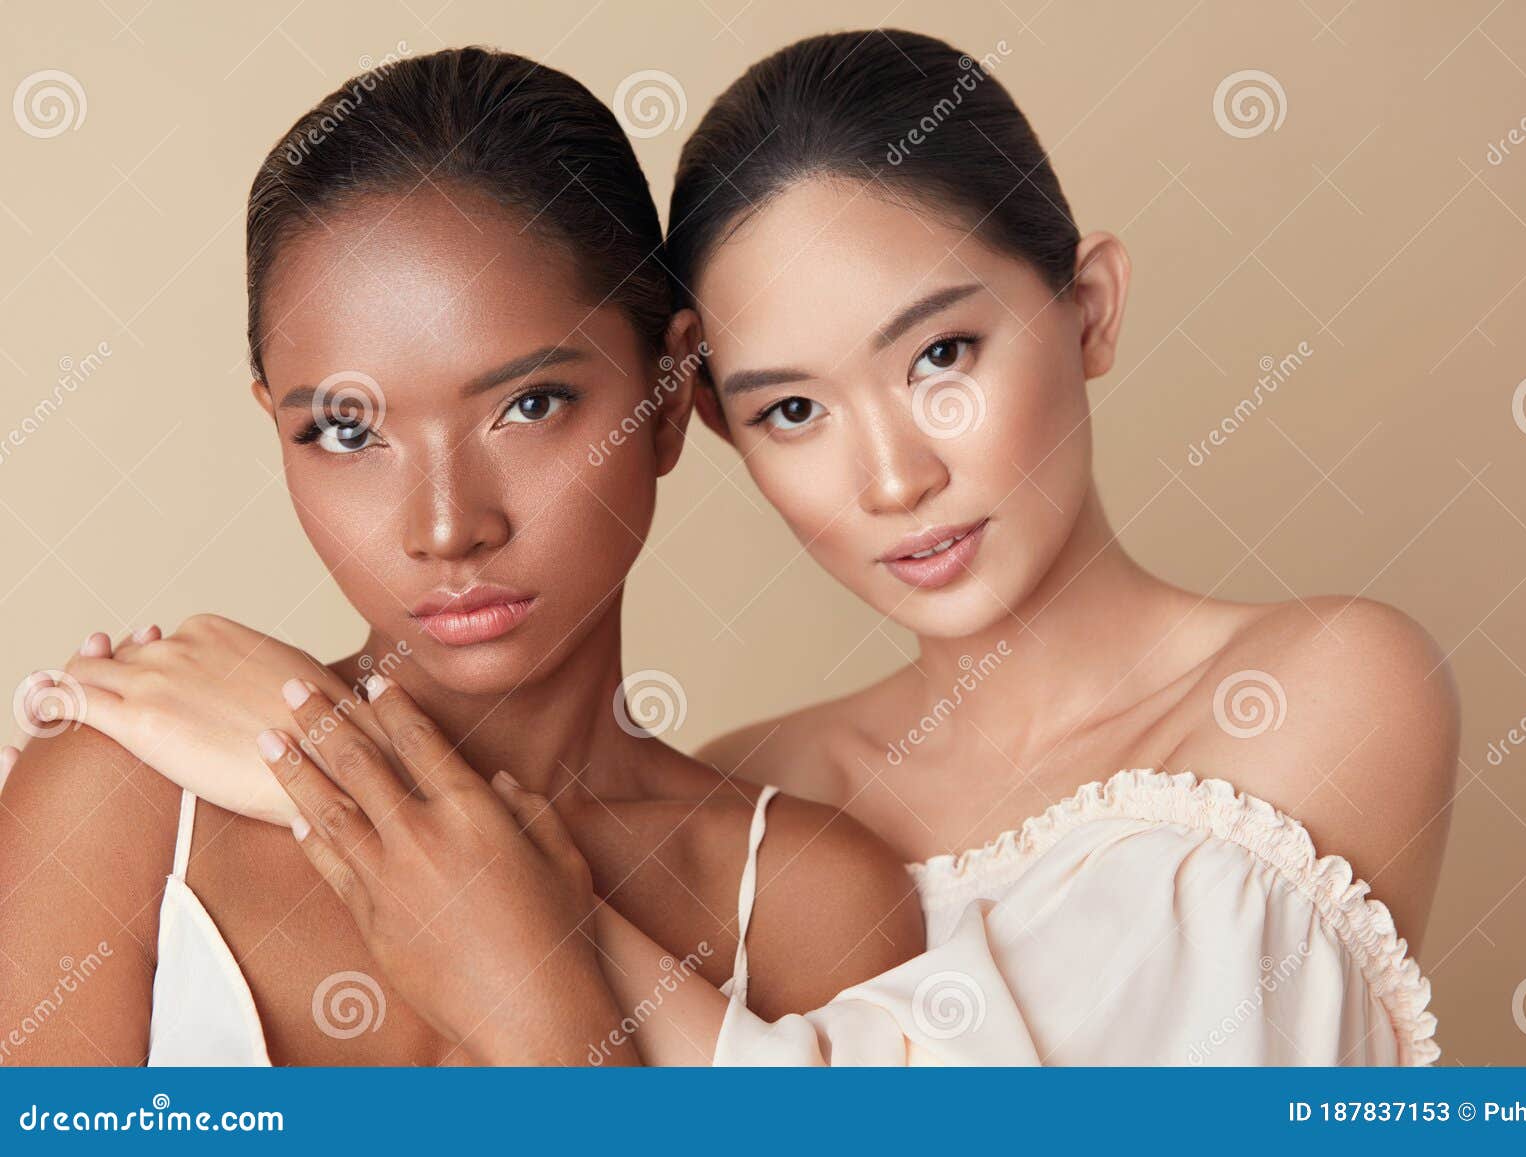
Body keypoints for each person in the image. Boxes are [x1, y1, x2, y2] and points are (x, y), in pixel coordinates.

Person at [0, 46, 922, 1068]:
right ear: (276, 427)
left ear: (668, 399)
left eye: (528, 405)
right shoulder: (122, 797)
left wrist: (540, 997)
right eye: (347, 432)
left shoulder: (805, 901)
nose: (446, 527)